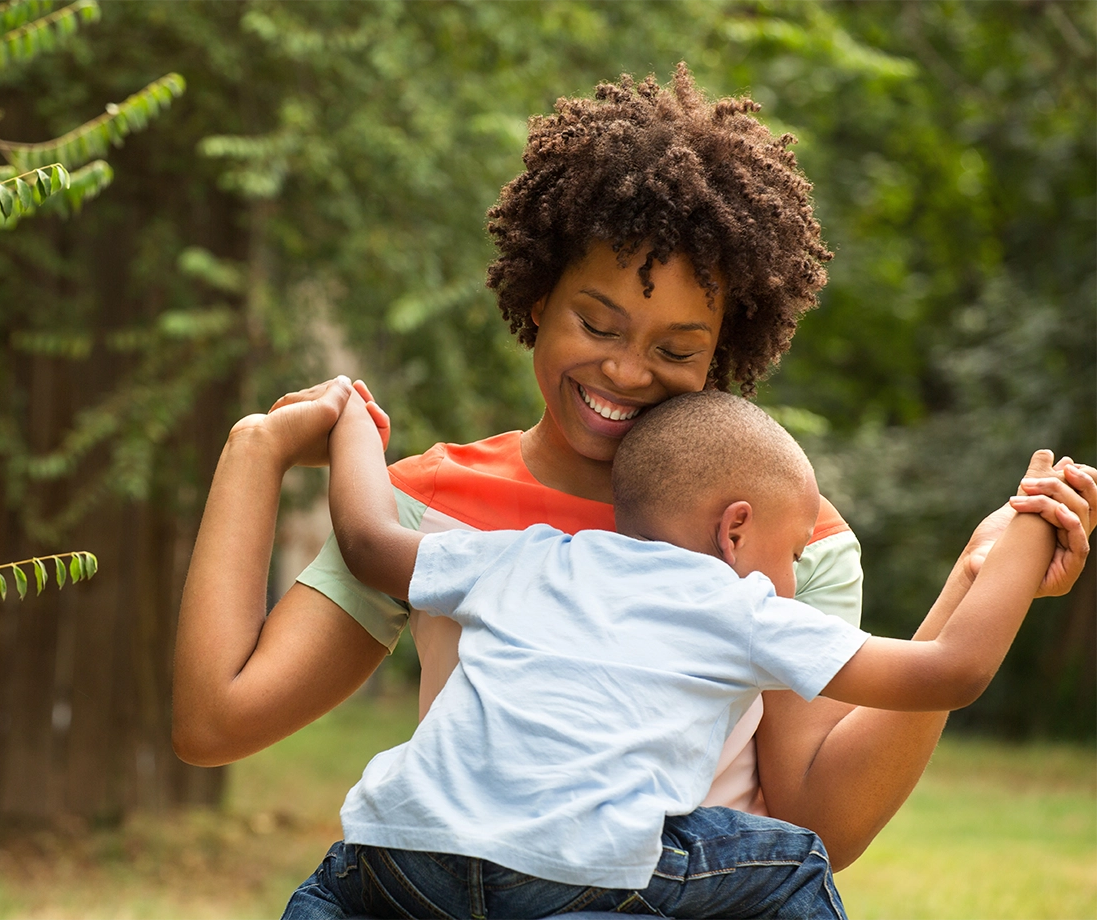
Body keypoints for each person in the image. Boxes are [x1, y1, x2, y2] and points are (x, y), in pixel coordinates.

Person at [171, 66, 1097, 872]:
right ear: (538, 297)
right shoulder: (432, 505)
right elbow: (216, 723)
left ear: (724, 352)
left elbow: (820, 818)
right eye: (598, 323)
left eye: (676, 348)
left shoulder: (790, 535)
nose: (624, 371)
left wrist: (971, 580)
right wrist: (253, 453)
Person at [279, 388, 1060, 920]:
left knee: (332, 885)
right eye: (790, 550)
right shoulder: (735, 604)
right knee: (795, 863)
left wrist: (352, 421)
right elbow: (951, 670)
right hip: (574, 866)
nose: (791, 577)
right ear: (735, 530)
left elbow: (369, 542)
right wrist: (1028, 528)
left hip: (405, 854)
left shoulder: (525, 555)